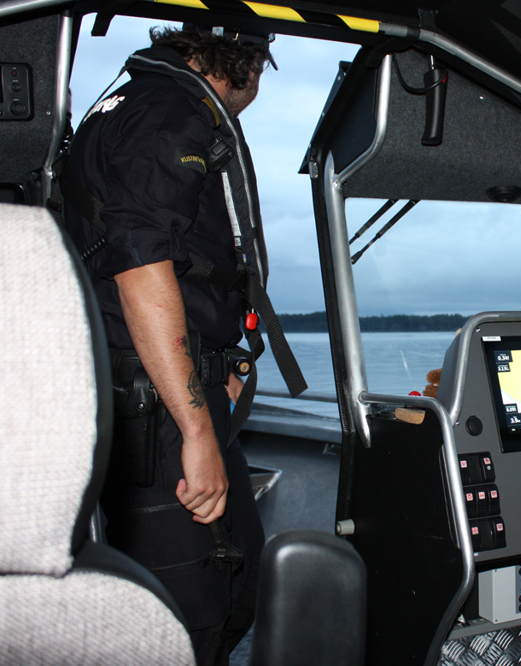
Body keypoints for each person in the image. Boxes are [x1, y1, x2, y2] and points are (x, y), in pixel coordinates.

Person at [63, 25, 278, 665]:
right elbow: (141, 269)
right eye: (261, 71)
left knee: (242, 587)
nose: (258, 90)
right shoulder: (169, 113)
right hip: (156, 412)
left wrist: (223, 366)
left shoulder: (135, 104)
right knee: (191, 620)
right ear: (239, 62)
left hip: (167, 392)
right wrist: (195, 428)